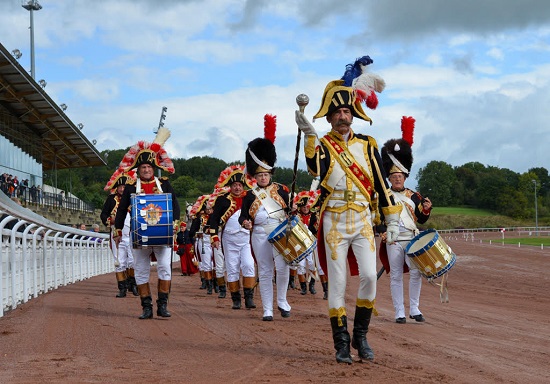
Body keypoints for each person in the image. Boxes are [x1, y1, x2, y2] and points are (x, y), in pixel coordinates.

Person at [295, 56, 401, 363]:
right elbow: (315, 167)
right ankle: (341, 343)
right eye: (337, 112)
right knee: (338, 282)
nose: (342, 116)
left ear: (352, 114)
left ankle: (361, 337)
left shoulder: (368, 145)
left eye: (346, 110)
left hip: (363, 220)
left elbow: (380, 184)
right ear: (329, 118)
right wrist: (309, 135)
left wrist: (390, 218)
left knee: (369, 275)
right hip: (334, 220)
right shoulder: (325, 145)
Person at [113, 128, 180, 319]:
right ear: (138, 170)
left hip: (162, 234)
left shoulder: (165, 184)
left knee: (165, 268)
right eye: (143, 167)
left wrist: (175, 223)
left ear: (154, 168)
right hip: (139, 234)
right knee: (141, 270)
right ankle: (146, 307)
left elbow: (174, 205)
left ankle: (163, 305)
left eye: (149, 167)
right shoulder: (131, 188)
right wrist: (118, 230)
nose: (146, 170)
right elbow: (121, 210)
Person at [378, 117, 432, 324]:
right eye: (394, 176)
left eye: (400, 176)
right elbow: (377, 216)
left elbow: (420, 219)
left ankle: (415, 308)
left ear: (405, 177)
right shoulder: (384, 197)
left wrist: (426, 210)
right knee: (396, 276)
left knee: (417, 272)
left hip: (411, 238)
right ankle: (399, 311)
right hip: (392, 239)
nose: (397, 179)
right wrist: (382, 230)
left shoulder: (414, 195)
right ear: (389, 178)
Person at [239, 114, 292, 322]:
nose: (263, 177)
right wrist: (245, 222)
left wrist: (291, 212)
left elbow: (288, 211)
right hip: (260, 234)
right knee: (266, 270)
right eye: (259, 175)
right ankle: (267, 309)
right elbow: (243, 215)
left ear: (271, 174)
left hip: (280, 233)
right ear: (255, 176)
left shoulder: (282, 190)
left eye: (266, 174)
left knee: (283, 267)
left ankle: (283, 301)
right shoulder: (250, 195)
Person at [208, 165, 257, 308]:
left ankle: (249, 298)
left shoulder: (250, 197)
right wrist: (214, 238)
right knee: (232, 268)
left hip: (246, 239)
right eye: (234, 185)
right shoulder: (222, 199)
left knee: (248, 265)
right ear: (230, 186)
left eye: (239, 185)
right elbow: (215, 219)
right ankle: (236, 299)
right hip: (229, 239)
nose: (237, 188)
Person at [100, 169, 138, 298]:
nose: (122, 189)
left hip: (132, 234)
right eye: (120, 186)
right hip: (117, 235)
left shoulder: (133, 198)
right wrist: (111, 220)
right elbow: (103, 214)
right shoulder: (111, 199)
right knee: (119, 261)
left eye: (124, 186)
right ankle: (122, 288)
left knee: (133, 261)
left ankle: (133, 285)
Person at [189, 195, 215, 295]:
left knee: (216, 264)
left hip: (215, 241)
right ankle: (208, 284)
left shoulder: (217, 216)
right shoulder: (199, 218)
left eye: (211, 208)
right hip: (203, 241)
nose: (209, 210)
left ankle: (217, 284)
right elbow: (192, 232)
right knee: (205, 262)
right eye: (207, 208)